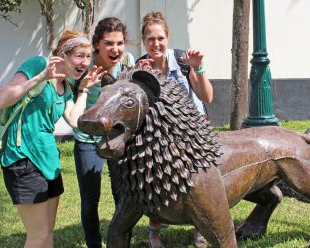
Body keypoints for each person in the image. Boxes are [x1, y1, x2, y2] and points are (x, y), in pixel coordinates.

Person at [0, 30, 103, 248]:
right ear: (63, 55)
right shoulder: (38, 65)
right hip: (23, 159)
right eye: (79, 55)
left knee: (47, 231)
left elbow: (74, 120)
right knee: (38, 235)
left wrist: (83, 91)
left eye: (88, 56)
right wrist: (41, 77)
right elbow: (2, 99)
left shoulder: (67, 87)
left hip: (49, 162)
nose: (85, 62)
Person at [137, 11, 213, 248]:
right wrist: (138, 77)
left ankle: (201, 228)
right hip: (162, 135)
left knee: (200, 183)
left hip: (192, 131)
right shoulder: (142, 65)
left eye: (160, 38)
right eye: (150, 39)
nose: (155, 44)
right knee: (156, 181)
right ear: (144, 41)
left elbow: (207, 97)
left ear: (167, 38)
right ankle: (154, 231)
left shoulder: (182, 60)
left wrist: (197, 69)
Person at [70, 17, 135, 248]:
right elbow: (69, 99)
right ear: (97, 43)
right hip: (87, 140)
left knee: (122, 193)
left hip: (117, 138)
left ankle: (120, 241)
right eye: (108, 43)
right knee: (90, 199)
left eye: (119, 43)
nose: (115, 49)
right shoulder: (84, 65)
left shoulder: (128, 61)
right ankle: (94, 244)